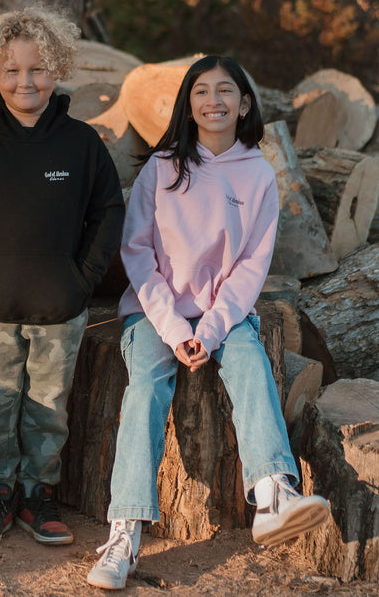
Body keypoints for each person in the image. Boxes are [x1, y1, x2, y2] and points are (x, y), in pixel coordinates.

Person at [86, 55, 330, 589]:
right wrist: (176, 331)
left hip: (226, 313)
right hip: (156, 310)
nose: (213, 100)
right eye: (201, 90)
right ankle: (124, 532)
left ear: (245, 104)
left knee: (249, 363)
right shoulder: (162, 167)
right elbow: (137, 253)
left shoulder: (260, 174)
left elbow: (251, 267)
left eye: (226, 91)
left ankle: (272, 494)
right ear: (188, 103)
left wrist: (212, 329)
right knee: (145, 386)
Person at [0, 5, 125, 546]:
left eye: (37, 69)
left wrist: (81, 279)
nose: (25, 81)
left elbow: (108, 213)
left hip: (60, 307)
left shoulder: (82, 144)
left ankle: (39, 494)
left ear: (56, 69)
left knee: (49, 409)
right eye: (13, 70)